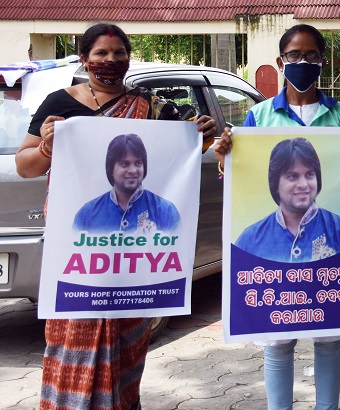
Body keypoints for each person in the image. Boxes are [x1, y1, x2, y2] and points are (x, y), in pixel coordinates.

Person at [15, 22, 217, 410]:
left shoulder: (152, 107)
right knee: (72, 331)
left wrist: (201, 135)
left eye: (119, 53)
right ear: (84, 59)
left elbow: (181, 149)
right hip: (79, 248)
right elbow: (26, 166)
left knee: (127, 341)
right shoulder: (59, 104)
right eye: (101, 53)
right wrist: (45, 148)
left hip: (133, 253)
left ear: (128, 58)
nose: (111, 60)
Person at [214, 23, 340, 410]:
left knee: (329, 338)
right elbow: (237, 175)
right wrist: (225, 157)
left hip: (328, 271)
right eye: (294, 55)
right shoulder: (258, 117)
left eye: (311, 55)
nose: (303, 62)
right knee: (276, 342)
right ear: (281, 62)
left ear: (322, 62)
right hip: (277, 277)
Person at [235, 137, 340, 262]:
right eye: (292, 176)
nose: (303, 184)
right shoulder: (250, 240)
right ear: (275, 184)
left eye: (309, 175)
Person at [73, 133, 181, 234]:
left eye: (138, 163)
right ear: (111, 169)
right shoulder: (87, 214)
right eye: (125, 164)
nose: (133, 170)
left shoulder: (165, 211)